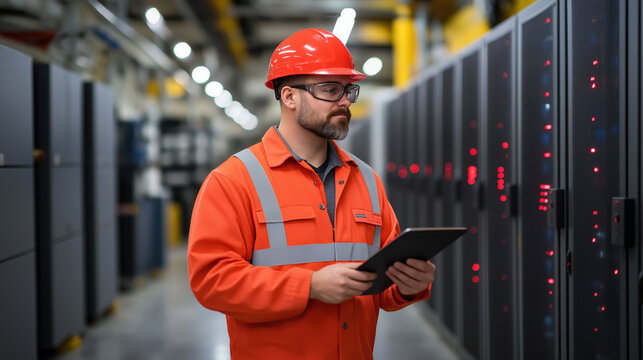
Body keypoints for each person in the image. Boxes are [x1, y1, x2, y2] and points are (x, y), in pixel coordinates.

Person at [187, 28, 436, 359]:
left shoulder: (366, 180)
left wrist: (410, 284)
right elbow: (211, 280)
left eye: (348, 90)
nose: (345, 100)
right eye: (331, 90)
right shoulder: (233, 180)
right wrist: (309, 286)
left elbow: (382, 290)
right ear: (289, 97)